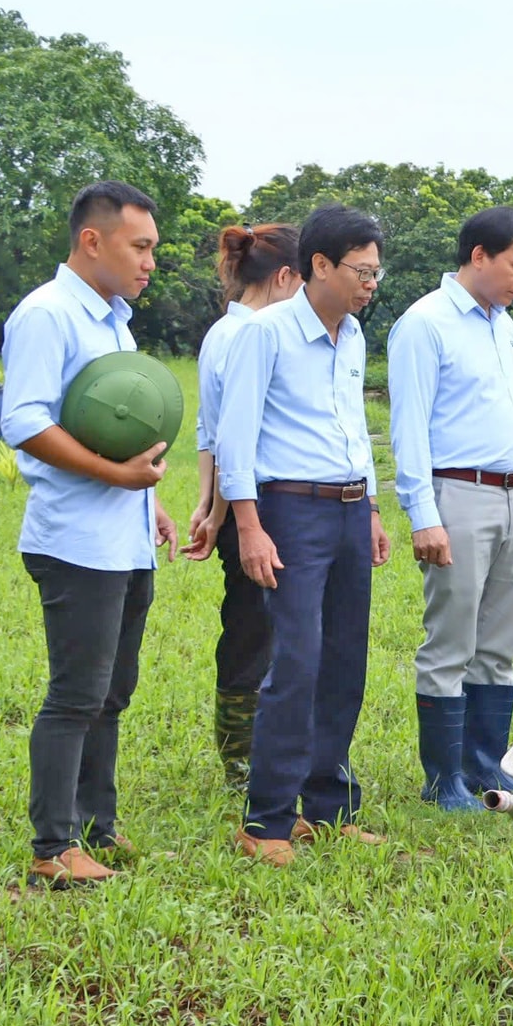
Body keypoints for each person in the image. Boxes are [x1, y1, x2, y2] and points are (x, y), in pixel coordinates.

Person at [0, 180, 178, 886]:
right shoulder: (48, 315)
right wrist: (112, 473)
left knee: (113, 690)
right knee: (76, 693)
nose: (150, 262)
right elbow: (23, 420)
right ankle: (53, 846)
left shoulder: (112, 318)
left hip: (122, 534)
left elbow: (116, 427)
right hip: (75, 539)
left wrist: (148, 501)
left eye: (153, 249)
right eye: (140, 247)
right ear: (92, 240)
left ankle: (98, 824)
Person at [214, 204, 391, 866]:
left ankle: (328, 806)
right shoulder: (267, 333)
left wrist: (370, 509)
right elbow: (236, 436)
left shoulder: (354, 338)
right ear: (319, 265)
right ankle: (265, 822)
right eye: (361, 271)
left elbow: (354, 429)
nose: (371, 283)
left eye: (377, 272)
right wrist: (250, 526)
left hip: (348, 507)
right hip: (290, 509)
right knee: (296, 660)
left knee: (345, 659)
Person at [389, 207, 513, 811]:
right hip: (457, 494)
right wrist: (422, 514)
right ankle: (443, 780)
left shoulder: (505, 328)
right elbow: (409, 429)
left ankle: (486, 764)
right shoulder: (424, 325)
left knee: (499, 643)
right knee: (451, 640)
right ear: (477, 256)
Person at [181, 223, 300, 791]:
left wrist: (208, 507)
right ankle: (242, 759)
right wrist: (223, 515)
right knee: (256, 631)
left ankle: (243, 754)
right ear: (285, 277)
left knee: (251, 627)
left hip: (234, 503)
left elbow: (209, 434)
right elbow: (233, 440)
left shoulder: (219, 333)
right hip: (256, 507)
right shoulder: (257, 335)